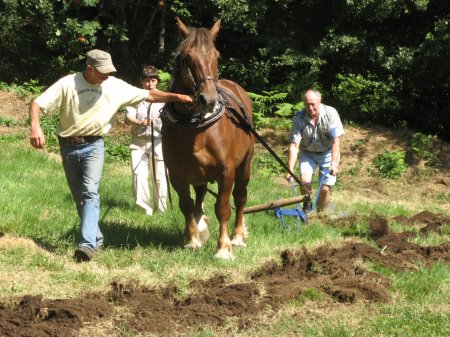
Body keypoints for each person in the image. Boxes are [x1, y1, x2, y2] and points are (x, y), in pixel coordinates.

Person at [29, 49, 192, 262]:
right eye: (102, 71)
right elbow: (37, 104)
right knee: (80, 198)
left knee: (89, 193)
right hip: (68, 146)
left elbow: (150, 95)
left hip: (94, 145)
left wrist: (178, 97)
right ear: (89, 68)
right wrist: (35, 127)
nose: (107, 76)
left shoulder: (114, 85)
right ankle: (96, 238)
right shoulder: (68, 83)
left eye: (109, 71)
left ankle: (86, 245)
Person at [287, 89, 344, 213]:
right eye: (307, 104)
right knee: (305, 181)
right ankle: (307, 207)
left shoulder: (330, 114)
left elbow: (336, 141)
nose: (310, 108)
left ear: (320, 102)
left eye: (313, 104)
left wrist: (334, 164)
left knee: (324, 189)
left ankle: (321, 212)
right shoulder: (299, 117)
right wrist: (290, 169)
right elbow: (294, 145)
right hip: (308, 152)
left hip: (328, 152)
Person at [125, 66, 167, 216]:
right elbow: (128, 118)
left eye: (153, 80)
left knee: (160, 176)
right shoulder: (135, 98)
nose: (150, 83)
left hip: (159, 141)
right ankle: (144, 208)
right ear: (141, 82)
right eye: (146, 80)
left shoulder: (164, 99)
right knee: (139, 175)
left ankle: (161, 209)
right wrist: (139, 122)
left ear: (157, 82)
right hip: (138, 142)